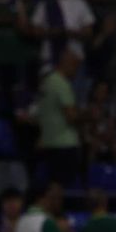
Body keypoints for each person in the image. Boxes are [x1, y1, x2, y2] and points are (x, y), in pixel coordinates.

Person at [35, 47, 85, 189]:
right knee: (62, 189)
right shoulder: (62, 84)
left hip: (49, 143)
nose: (76, 71)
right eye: (75, 66)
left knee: (53, 186)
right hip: (64, 146)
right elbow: (71, 116)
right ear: (67, 63)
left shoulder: (48, 81)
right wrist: (86, 115)